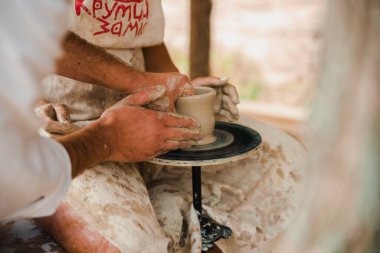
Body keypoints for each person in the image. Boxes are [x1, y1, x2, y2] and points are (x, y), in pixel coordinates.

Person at [32, 1, 307, 253]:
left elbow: (146, 42)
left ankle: (165, 204)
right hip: (72, 131)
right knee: (131, 246)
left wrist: (182, 90)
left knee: (293, 170)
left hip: (150, 116)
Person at [0, 0, 201, 222]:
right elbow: (25, 29)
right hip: (71, 130)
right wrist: (33, 102)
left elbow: (147, 41)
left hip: (142, 121)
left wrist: (188, 91)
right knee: (128, 237)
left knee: (233, 201)